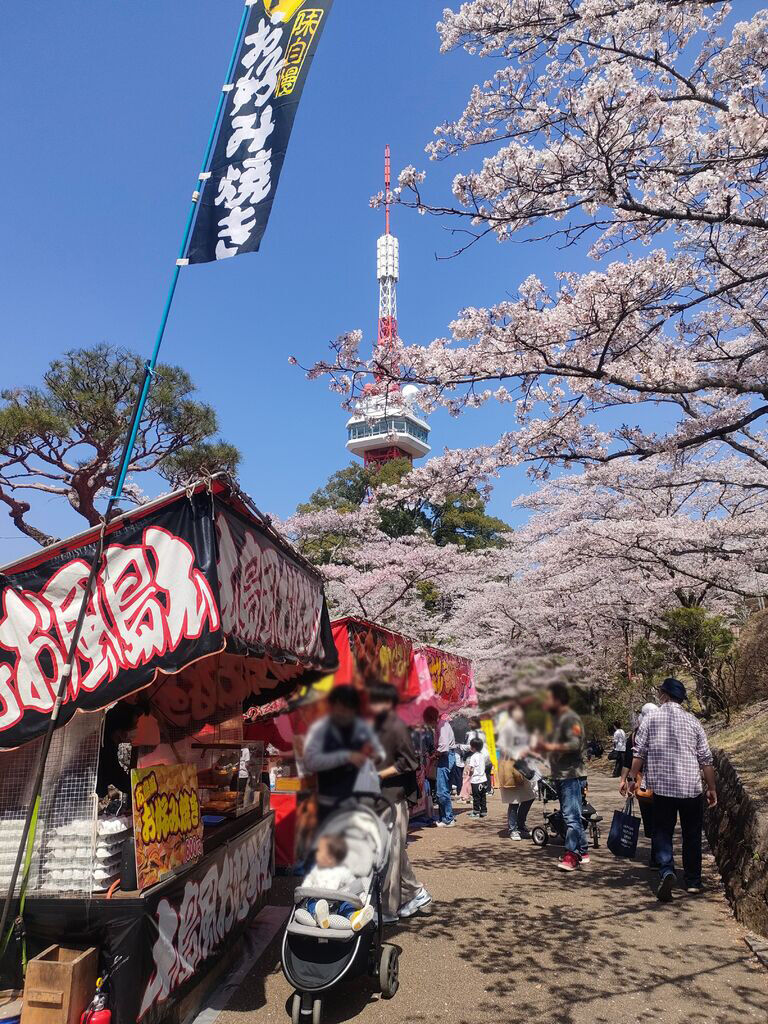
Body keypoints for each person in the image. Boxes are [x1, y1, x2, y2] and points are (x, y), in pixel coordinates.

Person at [628, 678, 717, 902]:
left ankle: (667, 870)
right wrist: (712, 787)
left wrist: (631, 778)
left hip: (663, 789)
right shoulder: (693, 721)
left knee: (663, 832)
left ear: (664, 695)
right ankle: (693, 882)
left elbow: (639, 753)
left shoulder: (651, 720)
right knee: (692, 835)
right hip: (691, 789)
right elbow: (706, 759)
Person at [369, 683, 432, 923]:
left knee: (391, 853)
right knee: (392, 851)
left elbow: (410, 762)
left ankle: (387, 910)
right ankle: (416, 894)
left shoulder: (396, 726)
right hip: (380, 798)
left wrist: (380, 774)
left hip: (394, 797)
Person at [303, 685, 384, 819]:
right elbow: (310, 761)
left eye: (348, 709)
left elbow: (380, 753)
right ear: (332, 707)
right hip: (328, 805)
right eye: (340, 708)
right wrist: (345, 756)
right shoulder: (320, 729)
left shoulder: (362, 727)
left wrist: (373, 756)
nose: (344, 713)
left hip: (360, 805)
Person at [534, 682, 588, 872]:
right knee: (572, 815)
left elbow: (574, 745)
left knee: (570, 816)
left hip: (570, 775)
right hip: (560, 773)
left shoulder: (570, 719)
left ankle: (572, 855)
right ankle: (583, 850)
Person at [294, 834, 374, 931]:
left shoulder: (343, 871)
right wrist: (303, 892)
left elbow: (354, 886)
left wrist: (362, 898)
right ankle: (319, 916)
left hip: (337, 903)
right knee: (311, 903)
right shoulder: (316, 870)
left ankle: (355, 917)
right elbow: (308, 882)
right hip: (318, 902)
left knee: (346, 904)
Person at [619, 703, 659, 863]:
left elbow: (628, 762)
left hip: (641, 783)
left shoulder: (635, 735)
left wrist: (625, 780)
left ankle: (658, 856)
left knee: (651, 819)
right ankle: (659, 857)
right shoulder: (663, 732)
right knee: (661, 820)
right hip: (662, 782)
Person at [498, 703, 537, 840]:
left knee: (529, 797)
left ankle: (520, 825)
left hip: (525, 767)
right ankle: (513, 828)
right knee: (514, 801)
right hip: (511, 767)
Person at [423, 706, 456, 827]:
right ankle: (444, 817)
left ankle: (448, 818)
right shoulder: (441, 725)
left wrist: (434, 756)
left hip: (446, 757)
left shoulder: (441, 726)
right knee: (442, 788)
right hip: (446, 757)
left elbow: (443, 747)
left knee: (442, 790)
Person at [467, 737, 488, 819]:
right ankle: (483, 811)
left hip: (476, 780)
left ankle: (476, 812)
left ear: (474, 747)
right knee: (483, 796)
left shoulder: (473, 757)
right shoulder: (482, 755)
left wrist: (469, 774)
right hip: (483, 779)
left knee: (476, 797)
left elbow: (471, 768)